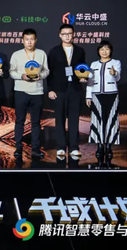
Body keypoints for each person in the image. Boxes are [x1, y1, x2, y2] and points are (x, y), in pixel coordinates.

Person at [47, 24, 87, 160]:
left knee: (74, 119)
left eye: (69, 33)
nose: (67, 36)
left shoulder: (80, 51)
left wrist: (83, 77)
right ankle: (61, 147)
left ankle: (74, 147)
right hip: (59, 89)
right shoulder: (54, 51)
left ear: (73, 34)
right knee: (60, 119)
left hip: (75, 88)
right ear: (60, 35)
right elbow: (49, 72)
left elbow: (82, 68)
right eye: (64, 34)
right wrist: (50, 89)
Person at [9, 28, 49, 159]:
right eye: (27, 39)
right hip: (21, 91)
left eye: (32, 39)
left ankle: (35, 149)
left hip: (37, 92)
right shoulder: (16, 55)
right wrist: (22, 76)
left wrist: (40, 76)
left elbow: (46, 70)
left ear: (36, 40)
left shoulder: (41, 54)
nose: (29, 42)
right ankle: (18, 148)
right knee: (19, 121)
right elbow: (11, 72)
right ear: (22, 41)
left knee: (36, 122)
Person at [86, 40, 122, 163]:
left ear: (110, 50)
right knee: (97, 121)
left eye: (107, 49)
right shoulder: (94, 64)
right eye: (102, 49)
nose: (104, 51)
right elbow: (90, 81)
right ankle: (100, 146)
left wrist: (114, 73)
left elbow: (118, 77)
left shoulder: (116, 62)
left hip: (112, 94)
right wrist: (88, 97)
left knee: (111, 120)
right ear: (98, 51)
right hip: (96, 95)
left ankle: (109, 146)